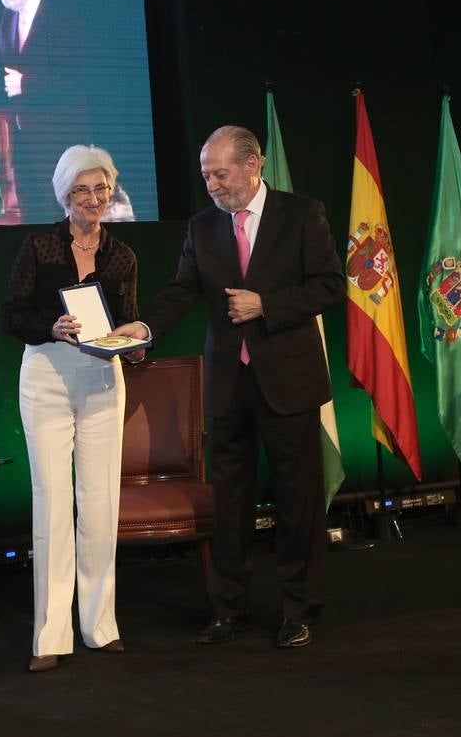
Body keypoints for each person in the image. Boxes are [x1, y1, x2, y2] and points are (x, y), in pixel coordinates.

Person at [112, 126, 343, 649]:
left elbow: (330, 284)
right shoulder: (202, 226)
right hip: (227, 383)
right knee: (230, 503)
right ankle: (227, 609)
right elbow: (182, 291)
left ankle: (299, 609)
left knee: (297, 500)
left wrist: (268, 305)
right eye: (206, 176)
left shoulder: (302, 214)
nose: (213, 186)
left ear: (253, 165)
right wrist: (144, 328)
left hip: (288, 380)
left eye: (220, 173)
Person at [1, 145, 141, 672]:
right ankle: (51, 635)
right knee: (53, 503)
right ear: (64, 195)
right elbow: (11, 314)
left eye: (101, 189)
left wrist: (136, 338)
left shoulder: (123, 255)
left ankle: (100, 626)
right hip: (47, 375)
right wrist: (50, 327)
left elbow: (128, 318)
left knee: (102, 502)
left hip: (104, 377)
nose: (93, 199)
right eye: (82, 190)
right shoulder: (38, 246)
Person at [0, 0, 88, 225]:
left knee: (64, 223)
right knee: (34, 225)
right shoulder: (8, 16)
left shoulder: (63, 13)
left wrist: (27, 84)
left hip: (60, 144)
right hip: (25, 145)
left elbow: (77, 78)